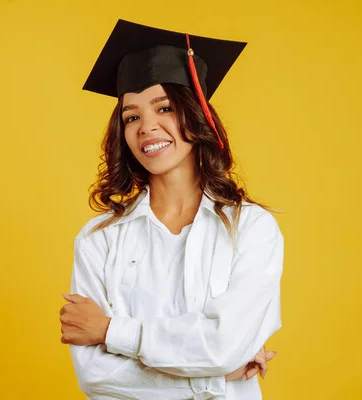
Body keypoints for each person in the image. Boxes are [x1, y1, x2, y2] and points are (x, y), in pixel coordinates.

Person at [59, 19, 284, 400]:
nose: (146, 126)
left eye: (164, 108)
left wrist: (110, 331)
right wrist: (214, 377)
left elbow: (223, 346)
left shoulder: (251, 228)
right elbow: (96, 377)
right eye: (131, 117)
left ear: (197, 117)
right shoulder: (100, 240)